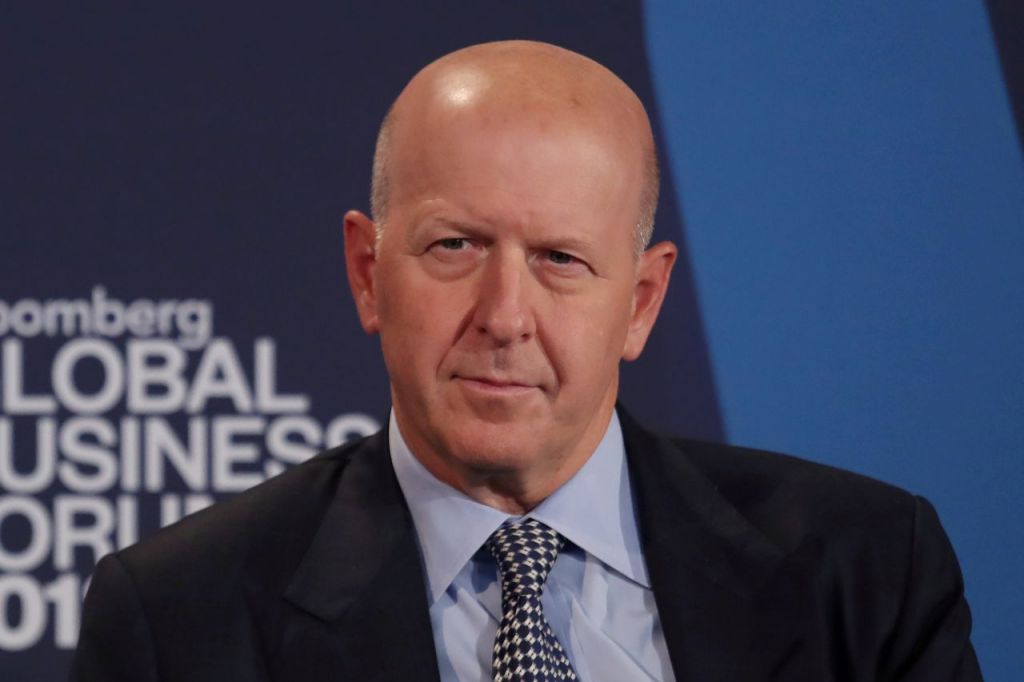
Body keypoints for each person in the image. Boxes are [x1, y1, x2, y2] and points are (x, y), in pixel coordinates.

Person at [71, 40, 981, 681]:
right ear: (367, 273)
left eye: (560, 259)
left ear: (641, 302)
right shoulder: (178, 620)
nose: (505, 317)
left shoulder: (867, 576)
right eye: (455, 246)